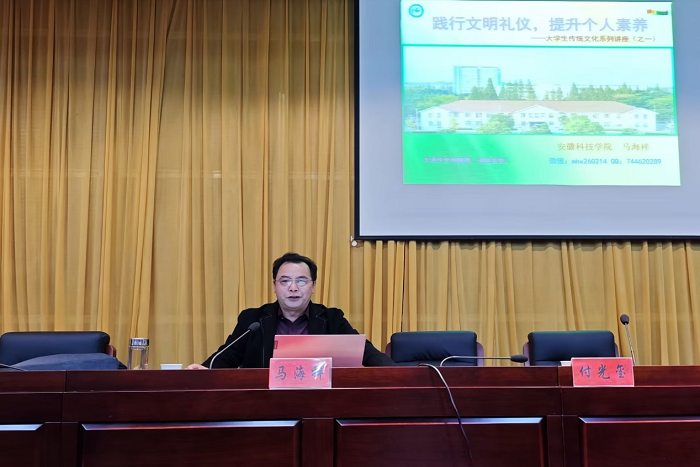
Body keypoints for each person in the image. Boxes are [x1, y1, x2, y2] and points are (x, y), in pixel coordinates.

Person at [187, 252, 394, 369]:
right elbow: (227, 356)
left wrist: (395, 372)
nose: (293, 288)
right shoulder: (253, 320)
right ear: (274, 286)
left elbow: (365, 352)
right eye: (285, 281)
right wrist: (205, 370)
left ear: (313, 286)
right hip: (264, 404)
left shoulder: (332, 318)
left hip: (318, 404)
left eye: (301, 281)